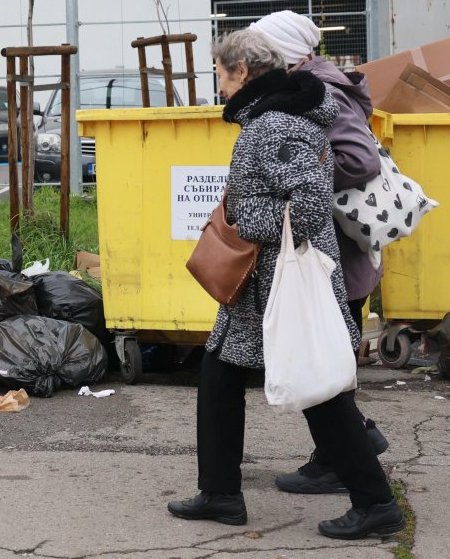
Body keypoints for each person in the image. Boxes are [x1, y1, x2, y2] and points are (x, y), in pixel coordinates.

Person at [166, 29, 405, 540]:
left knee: (320, 391)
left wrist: (243, 213)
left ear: (244, 72)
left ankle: (377, 502)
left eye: (222, 76)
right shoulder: (270, 120)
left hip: (281, 284)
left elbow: (312, 202)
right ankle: (220, 493)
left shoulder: (274, 125)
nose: (221, 87)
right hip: (262, 286)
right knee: (220, 376)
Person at [248, 10, 389, 495]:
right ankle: (342, 450)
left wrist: (303, 176)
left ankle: (347, 458)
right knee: (327, 359)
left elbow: (359, 158)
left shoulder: (319, 90)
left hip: (337, 255)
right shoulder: (309, 84)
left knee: (323, 360)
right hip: (337, 253)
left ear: (282, 53)